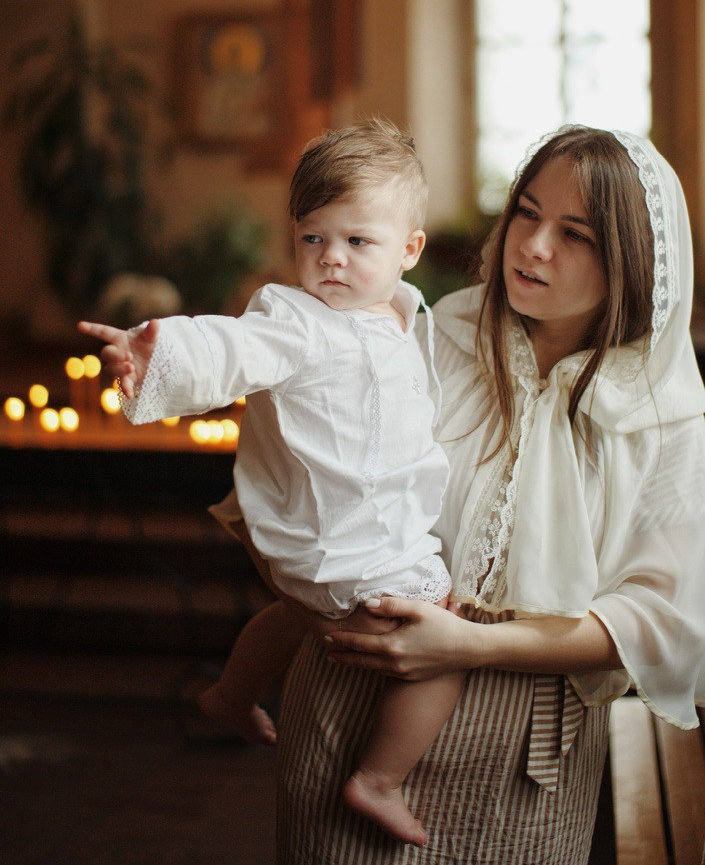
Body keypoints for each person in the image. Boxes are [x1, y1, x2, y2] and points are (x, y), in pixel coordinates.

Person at [265, 125, 705, 865]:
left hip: (525, 749)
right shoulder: (425, 339)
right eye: (525, 213)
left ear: (632, 260)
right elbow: (290, 485)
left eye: (574, 234)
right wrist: (310, 596)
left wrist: (471, 643)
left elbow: (659, 620)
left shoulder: (664, 414)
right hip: (354, 699)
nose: (532, 246)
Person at [78, 118, 466, 848]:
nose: (331, 258)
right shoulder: (296, 321)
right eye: (312, 237)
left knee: (291, 614)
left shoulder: (402, 316)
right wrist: (156, 350)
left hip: (358, 528)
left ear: (409, 250)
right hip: (342, 541)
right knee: (441, 646)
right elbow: (230, 346)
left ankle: (230, 693)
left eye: (358, 241)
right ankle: (378, 779)